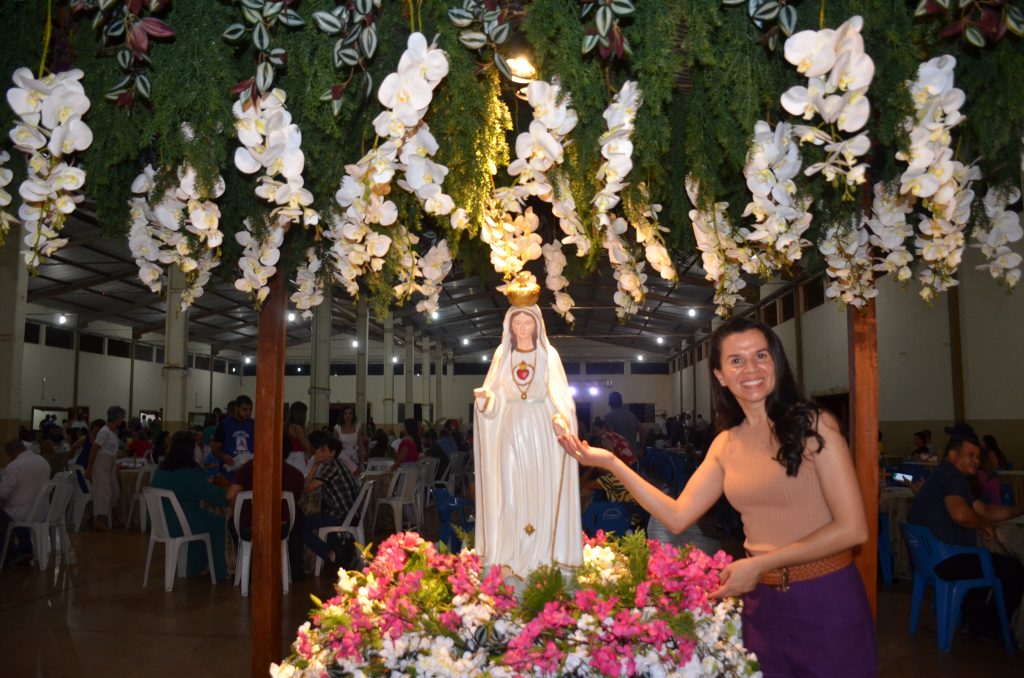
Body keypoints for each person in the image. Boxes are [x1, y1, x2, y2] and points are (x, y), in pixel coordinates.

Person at [558, 316, 874, 676]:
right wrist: (612, 462)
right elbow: (677, 516)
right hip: (762, 601)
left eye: (761, 356)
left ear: (776, 364)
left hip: (825, 597)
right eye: (736, 361)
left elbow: (852, 529)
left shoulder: (814, 425)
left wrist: (757, 564)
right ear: (721, 375)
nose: (750, 369)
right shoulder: (727, 443)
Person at [473, 276, 582, 579]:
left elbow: (558, 398)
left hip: (540, 431)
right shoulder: (501, 355)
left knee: (539, 491)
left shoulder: (549, 357)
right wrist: (486, 401)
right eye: (517, 324)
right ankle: (509, 553)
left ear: (537, 325)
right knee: (510, 490)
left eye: (527, 323)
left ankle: (540, 556)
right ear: (509, 327)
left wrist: (561, 418)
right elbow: (495, 397)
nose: (522, 329)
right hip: (510, 428)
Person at [908, 435, 1024, 638]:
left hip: (926, 560)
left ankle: (972, 621)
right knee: (1013, 568)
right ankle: (990, 626)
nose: (976, 461)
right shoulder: (954, 477)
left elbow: (983, 510)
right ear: (953, 455)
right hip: (947, 559)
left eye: (978, 456)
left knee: (983, 558)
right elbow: (962, 515)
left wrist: (1017, 510)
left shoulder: (941, 475)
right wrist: (984, 525)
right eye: (970, 455)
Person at [150, 431, 229, 582]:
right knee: (216, 522)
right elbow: (211, 495)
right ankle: (219, 572)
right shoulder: (192, 472)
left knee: (202, 521)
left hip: (162, 522)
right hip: (183, 521)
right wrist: (228, 494)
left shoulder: (161, 469)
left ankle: (196, 567)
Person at [226, 439, 306, 578]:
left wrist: (240, 512)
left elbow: (230, 495)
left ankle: (247, 570)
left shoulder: (250, 467)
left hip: (250, 526)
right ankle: (292, 568)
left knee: (233, 522)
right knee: (297, 515)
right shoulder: (297, 475)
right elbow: (293, 504)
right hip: (281, 528)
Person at [303, 432, 361, 573]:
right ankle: (337, 550)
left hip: (342, 515)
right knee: (323, 510)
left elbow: (306, 488)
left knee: (298, 526)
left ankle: (330, 554)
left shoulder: (331, 467)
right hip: (349, 513)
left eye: (322, 449)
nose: (318, 451)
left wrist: (315, 464)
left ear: (332, 453)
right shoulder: (337, 464)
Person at [0, 439, 51, 565]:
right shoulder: (43, 462)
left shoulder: (14, 466)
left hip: (21, 512)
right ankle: (25, 547)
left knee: (4, 515)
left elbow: (2, 493)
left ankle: (5, 554)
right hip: (42, 510)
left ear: (12, 453)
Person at [86, 406, 125, 530]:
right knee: (103, 492)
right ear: (117, 418)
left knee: (115, 491)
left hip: (110, 464)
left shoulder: (113, 432)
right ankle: (99, 519)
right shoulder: (104, 431)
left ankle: (112, 517)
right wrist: (89, 468)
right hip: (101, 464)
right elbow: (94, 449)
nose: (122, 420)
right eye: (122, 418)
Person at [211, 395, 254, 480]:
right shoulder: (224, 425)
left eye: (250, 410)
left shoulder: (254, 424)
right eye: (244, 409)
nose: (248, 413)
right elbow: (215, 448)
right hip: (229, 475)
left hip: (249, 475)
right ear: (236, 408)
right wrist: (224, 457)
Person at [603, 391, 640, 458]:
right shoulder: (631, 415)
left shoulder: (609, 417)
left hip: (619, 455)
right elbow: (644, 430)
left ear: (609, 403)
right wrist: (641, 448)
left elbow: (608, 437)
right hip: (632, 453)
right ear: (621, 402)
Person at [332, 405, 366, 475]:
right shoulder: (337, 428)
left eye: (350, 413)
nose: (348, 415)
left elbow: (361, 446)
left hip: (354, 457)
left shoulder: (357, 427)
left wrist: (362, 462)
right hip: (342, 458)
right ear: (342, 415)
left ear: (353, 415)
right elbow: (334, 447)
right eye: (345, 413)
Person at [285, 402, 312, 475]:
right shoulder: (298, 427)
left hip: (289, 457)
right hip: (298, 458)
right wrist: (307, 431)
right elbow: (307, 445)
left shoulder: (287, 426)